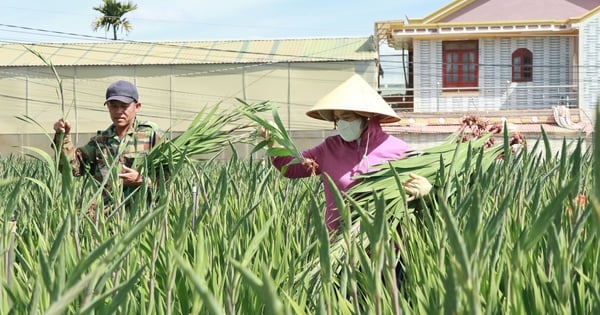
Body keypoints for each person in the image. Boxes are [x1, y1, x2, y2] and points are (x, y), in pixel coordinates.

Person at [261, 74, 432, 232]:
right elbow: (291, 168)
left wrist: (427, 192)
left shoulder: (398, 150)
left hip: (388, 249)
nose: (342, 124)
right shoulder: (329, 148)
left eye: (347, 117)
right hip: (341, 248)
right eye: (337, 119)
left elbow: (422, 197)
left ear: (368, 116)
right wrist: (274, 141)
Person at [52, 80, 165, 209]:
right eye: (114, 106)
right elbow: (71, 169)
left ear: (137, 106)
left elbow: (171, 176)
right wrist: (63, 137)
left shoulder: (151, 135)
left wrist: (143, 180)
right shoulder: (101, 141)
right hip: (107, 216)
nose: (118, 111)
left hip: (143, 213)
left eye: (124, 106)